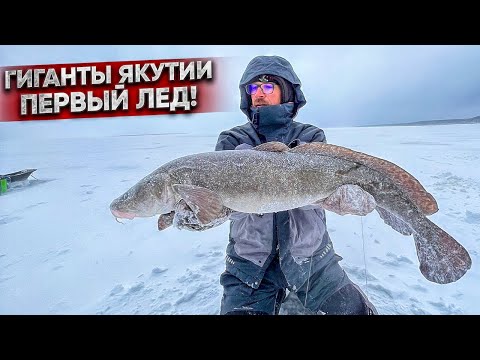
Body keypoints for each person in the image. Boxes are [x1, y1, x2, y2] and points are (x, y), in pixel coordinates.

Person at [213, 55, 378, 315]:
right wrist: (199, 213)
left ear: (286, 90)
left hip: (313, 259)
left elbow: (330, 185)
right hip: (248, 264)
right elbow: (219, 201)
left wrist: (346, 197)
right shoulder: (232, 139)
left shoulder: (311, 137)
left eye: (267, 87)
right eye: (253, 88)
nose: (259, 93)